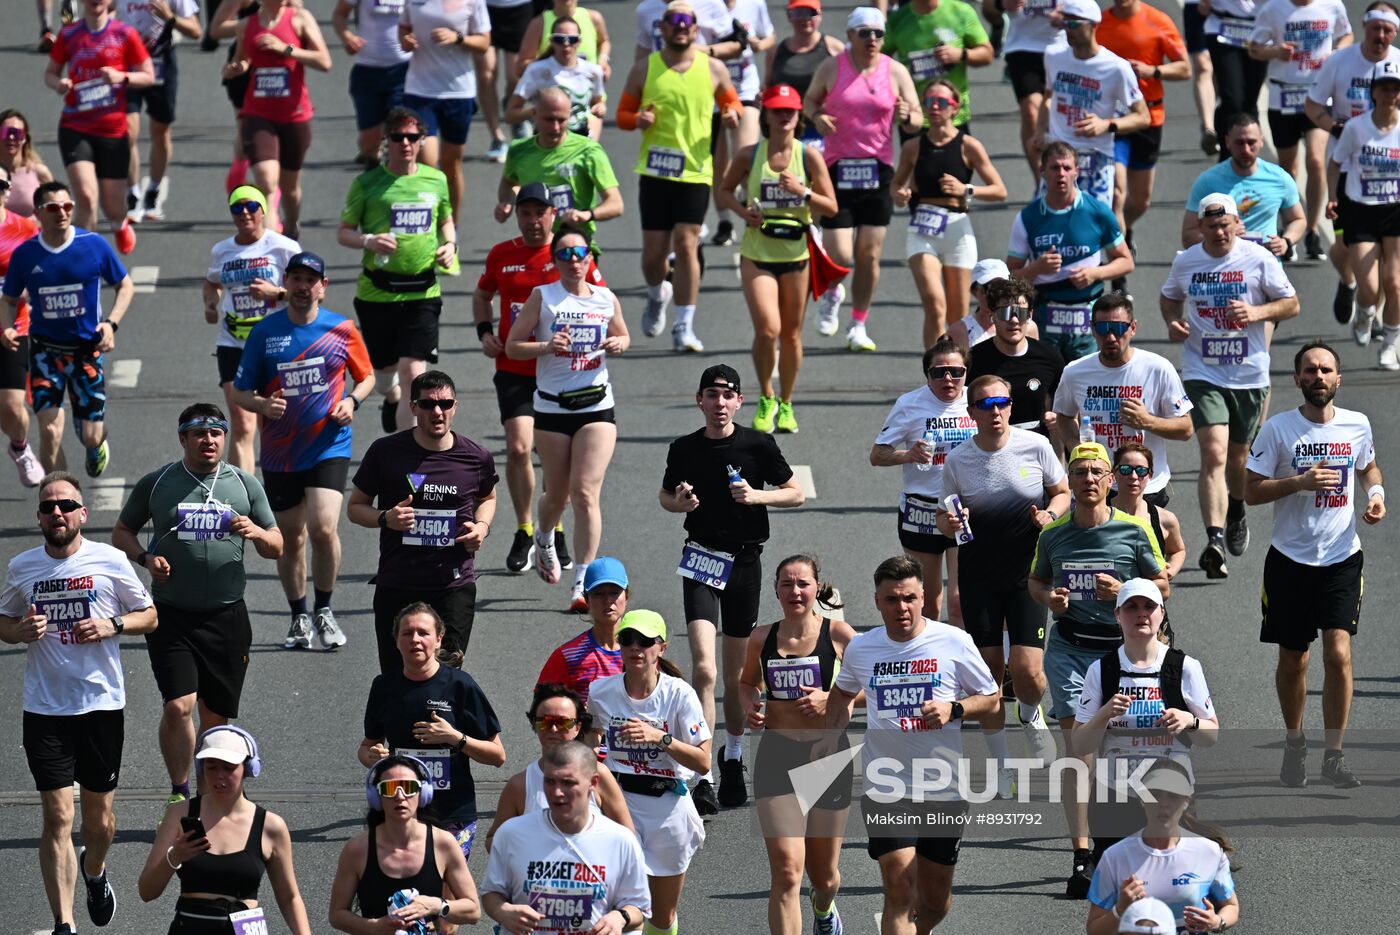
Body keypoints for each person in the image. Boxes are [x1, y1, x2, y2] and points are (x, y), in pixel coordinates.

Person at [0, 471, 157, 935]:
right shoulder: (23, 568)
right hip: (45, 709)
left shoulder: (108, 560)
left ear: (82, 514)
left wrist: (114, 625)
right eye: (48, 507)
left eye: (66, 505)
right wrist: (18, 632)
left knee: (99, 821)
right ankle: (64, 923)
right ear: (40, 518)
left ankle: (95, 869)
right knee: (57, 815)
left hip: (100, 706)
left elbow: (150, 616)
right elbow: (3, 621)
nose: (57, 513)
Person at [111, 403, 281, 805]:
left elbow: (278, 546)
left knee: (215, 718)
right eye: (199, 433)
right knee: (177, 706)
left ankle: (207, 800)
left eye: (216, 432)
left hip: (227, 615)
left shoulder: (243, 484)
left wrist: (256, 531)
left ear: (225, 437)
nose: (209, 440)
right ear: (183, 438)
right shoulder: (158, 483)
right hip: (171, 614)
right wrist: (145, 559)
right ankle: (179, 790)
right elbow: (122, 531)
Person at [823, 556, 1000, 935]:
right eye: (891, 600)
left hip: (943, 787)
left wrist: (954, 708)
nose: (901, 608)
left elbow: (991, 698)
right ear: (877, 601)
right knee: (900, 887)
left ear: (923, 597)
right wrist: (828, 742)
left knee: (936, 901)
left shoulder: (953, 641)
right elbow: (841, 697)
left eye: (908, 598)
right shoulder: (862, 649)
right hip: (887, 785)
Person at [659, 364, 805, 812]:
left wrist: (757, 496)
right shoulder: (684, 447)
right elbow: (665, 496)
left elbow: (795, 492)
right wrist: (678, 503)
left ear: (739, 402)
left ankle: (733, 755)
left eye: (728, 395)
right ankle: (701, 770)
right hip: (702, 557)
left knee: (738, 675)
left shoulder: (757, 444)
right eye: (711, 395)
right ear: (699, 401)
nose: (719, 403)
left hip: (744, 561)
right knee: (704, 671)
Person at [1027, 441, 1168, 897]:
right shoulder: (1053, 536)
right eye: (1080, 472)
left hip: (1123, 654)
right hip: (1070, 650)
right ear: (1069, 481)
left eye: (1096, 472)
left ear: (1109, 481)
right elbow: (1037, 580)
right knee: (1080, 750)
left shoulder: (1134, 530)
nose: (1088, 479)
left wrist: (1127, 589)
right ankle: (1082, 855)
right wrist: (1049, 600)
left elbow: (1163, 581)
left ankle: (1138, 843)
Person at [1245, 341, 1385, 789]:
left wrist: (1377, 495)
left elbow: (1368, 468)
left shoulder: (1357, 424)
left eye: (1326, 370)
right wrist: (1299, 482)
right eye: (1310, 370)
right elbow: (1251, 491)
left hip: (1342, 557)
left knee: (1339, 652)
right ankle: (1294, 740)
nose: (1318, 376)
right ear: (1298, 379)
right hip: (1289, 560)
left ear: (1338, 379)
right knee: (1294, 659)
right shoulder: (1278, 430)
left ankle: (1334, 754)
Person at [230, 251, 375, 651]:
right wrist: (261, 405)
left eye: (310, 280)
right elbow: (240, 391)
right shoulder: (265, 332)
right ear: (286, 284)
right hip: (281, 452)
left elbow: (367, 378)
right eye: (294, 278)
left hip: (329, 443)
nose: (301, 286)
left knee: (324, 526)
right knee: (292, 536)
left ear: (323, 287)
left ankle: (325, 610)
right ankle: (298, 615)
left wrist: (353, 403)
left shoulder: (342, 329)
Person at [938, 375, 1068, 795]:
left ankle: (1030, 715)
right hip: (979, 576)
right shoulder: (958, 459)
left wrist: (1050, 514)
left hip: (1028, 575)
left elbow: (1062, 491)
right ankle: (1000, 766)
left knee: (1029, 672)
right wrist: (951, 522)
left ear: (1011, 406)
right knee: (988, 679)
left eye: (1001, 403)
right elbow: (944, 516)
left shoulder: (1036, 446)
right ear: (971, 412)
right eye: (985, 405)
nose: (995, 412)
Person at [1161, 192, 1299, 579]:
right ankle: (1214, 538)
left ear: (1237, 224)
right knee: (1214, 453)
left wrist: (1256, 311)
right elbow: (1169, 298)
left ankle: (1236, 508)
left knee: (1239, 458)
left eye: (1226, 225)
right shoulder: (1187, 262)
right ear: (1200, 228)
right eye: (1212, 226)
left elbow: (1291, 304)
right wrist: (1173, 322)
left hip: (1249, 374)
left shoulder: (1259, 259)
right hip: (1202, 371)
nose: (1220, 232)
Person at [477, 185, 603, 574]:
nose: (533, 221)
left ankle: (554, 526)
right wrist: (484, 330)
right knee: (518, 448)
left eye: (540, 213)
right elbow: (482, 295)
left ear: (553, 214)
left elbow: (600, 300)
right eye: (526, 213)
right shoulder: (503, 254)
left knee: (557, 460)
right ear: (517, 215)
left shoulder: (571, 255)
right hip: (514, 369)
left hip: (562, 376)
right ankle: (524, 527)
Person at [506, 226, 629, 610]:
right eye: (564, 254)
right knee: (556, 495)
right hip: (553, 408)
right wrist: (546, 345)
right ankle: (543, 535)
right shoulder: (543, 298)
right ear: (555, 261)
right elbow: (513, 346)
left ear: (590, 257)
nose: (573, 260)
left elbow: (623, 336)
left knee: (585, 493)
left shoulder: (606, 298)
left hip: (596, 406)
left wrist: (618, 342)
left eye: (580, 252)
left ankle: (582, 583)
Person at [737, 554, 856, 935]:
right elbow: (745, 684)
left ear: (817, 588)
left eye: (802, 583)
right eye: (786, 584)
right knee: (787, 870)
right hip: (777, 755)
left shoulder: (838, 634)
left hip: (827, 757)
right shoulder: (762, 637)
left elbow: (874, 686)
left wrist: (832, 698)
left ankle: (824, 908)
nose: (795, 591)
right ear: (775, 590)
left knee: (824, 875)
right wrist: (751, 706)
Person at [348, 370, 498, 671]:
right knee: (397, 678)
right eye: (428, 404)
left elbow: (488, 498)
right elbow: (355, 507)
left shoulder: (475, 457)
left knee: (446, 677)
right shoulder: (386, 452)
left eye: (445, 403)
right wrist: (385, 518)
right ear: (413, 407)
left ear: (455, 406)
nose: (437, 412)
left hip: (453, 586)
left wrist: (481, 528)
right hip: (398, 584)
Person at [617, 0, 743, 353]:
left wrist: (732, 114)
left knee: (687, 245)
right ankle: (658, 294)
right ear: (663, 28)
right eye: (673, 21)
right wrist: (637, 120)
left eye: (687, 21)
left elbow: (733, 104)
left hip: (695, 172)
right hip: (655, 171)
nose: (680, 26)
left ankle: (684, 326)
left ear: (695, 27)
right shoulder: (645, 69)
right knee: (653, 254)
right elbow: (623, 114)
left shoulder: (714, 68)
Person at [715, 83, 837, 434]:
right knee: (768, 330)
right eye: (776, 111)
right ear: (766, 115)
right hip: (758, 252)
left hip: (796, 254)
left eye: (790, 111)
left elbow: (831, 206)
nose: (783, 117)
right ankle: (766, 396)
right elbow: (723, 190)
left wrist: (804, 192)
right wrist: (743, 212)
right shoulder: (751, 155)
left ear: (799, 116)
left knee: (792, 335)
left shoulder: (808, 156)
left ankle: (786, 402)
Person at [1071, 579, 1219, 860]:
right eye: (1131, 607)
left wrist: (1189, 721)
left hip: (1170, 792)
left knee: (1167, 873)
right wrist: (1104, 714)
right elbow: (1079, 744)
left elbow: (1211, 736)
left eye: (1149, 606)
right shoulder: (1101, 670)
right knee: (1119, 886)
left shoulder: (1184, 667)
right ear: (1117, 615)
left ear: (1161, 613)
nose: (1141, 613)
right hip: (1116, 793)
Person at [803, 7, 921, 351]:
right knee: (841, 256)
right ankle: (833, 291)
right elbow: (810, 101)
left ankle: (858, 323)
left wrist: (907, 115)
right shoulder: (832, 67)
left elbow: (915, 118)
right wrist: (818, 116)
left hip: (877, 169)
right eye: (865, 33)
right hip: (837, 167)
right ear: (851, 35)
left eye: (878, 34)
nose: (872, 40)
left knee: (869, 254)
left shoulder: (895, 71)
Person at [586, 609, 710, 935]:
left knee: (662, 916)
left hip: (667, 809)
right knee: (619, 907)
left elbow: (703, 761)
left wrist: (662, 738)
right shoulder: (601, 692)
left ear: (662, 648)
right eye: (627, 639)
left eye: (645, 641)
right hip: (618, 803)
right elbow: (590, 740)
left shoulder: (679, 694)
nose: (635, 647)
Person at [0, 179, 135, 477]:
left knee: (90, 434)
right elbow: (8, 299)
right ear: (38, 212)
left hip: (86, 352)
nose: (61, 212)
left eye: (67, 206)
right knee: (49, 430)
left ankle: (95, 443)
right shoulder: (26, 254)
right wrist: (8, 328)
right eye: (52, 207)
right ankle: (62, 498)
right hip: (45, 353)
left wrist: (111, 324)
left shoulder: (93, 245)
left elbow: (125, 286)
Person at [337, 107, 457, 433]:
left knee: (414, 373)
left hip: (423, 292)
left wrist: (450, 245)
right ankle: (391, 398)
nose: (405, 143)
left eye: (412, 137)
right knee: (385, 374)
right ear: (386, 140)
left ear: (422, 140)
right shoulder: (368, 184)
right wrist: (369, 240)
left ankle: (406, 450)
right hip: (377, 293)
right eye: (398, 136)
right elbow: (344, 232)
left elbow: (446, 220)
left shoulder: (436, 180)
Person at [358, 603, 507, 860]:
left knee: (445, 889)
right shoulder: (384, 687)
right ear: (396, 641)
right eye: (407, 633)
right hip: (400, 810)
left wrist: (455, 738)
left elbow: (497, 756)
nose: (415, 639)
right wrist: (371, 757)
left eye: (423, 633)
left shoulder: (461, 685)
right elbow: (366, 747)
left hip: (453, 813)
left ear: (438, 639)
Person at [136, 726, 314, 935]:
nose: (220, 776)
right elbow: (147, 891)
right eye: (211, 767)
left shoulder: (271, 826)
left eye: (229, 767)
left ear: (248, 768)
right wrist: (175, 856)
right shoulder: (179, 814)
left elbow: (289, 897)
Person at [483, 741, 650, 935]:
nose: (557, 792)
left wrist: (620, 917)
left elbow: (639, 907)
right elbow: (491, 894)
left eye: (568, 783)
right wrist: (503, 911)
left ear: (593, 783)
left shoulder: (621, 841)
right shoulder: (510, 833)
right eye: (550, 781)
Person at [870, 337, 977, 625]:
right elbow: (878, 455)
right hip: (921, 510)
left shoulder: (977, 400)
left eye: (956, 371)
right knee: (929, 603)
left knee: (959, 602)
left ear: (967, 372)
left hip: (962, 509)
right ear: (927, 375)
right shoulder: (910, 404)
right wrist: (909, 454)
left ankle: (959, 666)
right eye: (938, 372)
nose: (948, 378)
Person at [1304, 2, 1399, 324]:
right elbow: (1312, 105)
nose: (1381, 36)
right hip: (1346, 170)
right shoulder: (1340, 62)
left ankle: (1371, 311)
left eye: (1388, 30)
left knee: (1387, 259)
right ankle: (1349, 282)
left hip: (1387, 174)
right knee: (1345, 249)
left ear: (1395, 33)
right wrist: (1335, 128)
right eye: (1376, 29)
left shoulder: (1399, 65)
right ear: (1364, 27)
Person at [892, 79, 1006, 347]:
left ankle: (958, 373)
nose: (934, 107)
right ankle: (934, 367)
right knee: (934, 303)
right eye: (929, 102)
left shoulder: (968, 145)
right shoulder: (913, 146)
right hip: (923, 228)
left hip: (957, 226)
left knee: (958, 313)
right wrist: (899, 194)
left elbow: (999, 190)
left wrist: (965, 189)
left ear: (955, 108)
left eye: (941, 102)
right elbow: (896, 183)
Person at [1052, 291, 1194, 501]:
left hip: (1145, 486)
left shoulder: (1158, 368)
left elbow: (1186, 429)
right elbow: (1063, 416)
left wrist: (1148, 421)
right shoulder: (1075, 372)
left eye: (1118, 328)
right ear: (1092, 329)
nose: (1110, 337)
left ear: (1133, 328)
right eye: (1102, 328)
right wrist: (1075, 445)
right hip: (1097, 485)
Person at [1007, 141, 1134, 363]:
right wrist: (1037, 268)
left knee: (1086, 382)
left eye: (1067, 168)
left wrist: (1095, 274)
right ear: (1042, 172)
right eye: (1055, 168)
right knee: (1048, 386)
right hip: (1045, 313)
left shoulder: (1097, 212)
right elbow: (1010, 275)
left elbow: (1126, 261)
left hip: (1087, 314)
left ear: (1077, 171)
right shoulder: (1027, 217)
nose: (1061, 174)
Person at [203, 184, 300, 472]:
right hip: (233, 343)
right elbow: (211, 281)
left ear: (263, 210)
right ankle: (244, 499)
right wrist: (210, 303)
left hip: (275, 343)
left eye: (251, 206)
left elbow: (312, 291)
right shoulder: (222, 250)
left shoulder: (284, 247)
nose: (244, 212)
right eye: (237, 207)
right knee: (242, 421)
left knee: (275, 419)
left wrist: (277, 293)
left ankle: (281, 486)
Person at [45, 0, 154, 253]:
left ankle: (119, 223)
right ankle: (86, 258)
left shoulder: (124, 34)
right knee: (85, 195)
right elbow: (50, 73)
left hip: (112, 131)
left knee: (113, 205)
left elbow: (147, 74)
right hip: (75, 126)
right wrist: (58, 83)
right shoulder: (70, 34)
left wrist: (121, 77)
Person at [328, 755, 483, 933]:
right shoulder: (356, 850)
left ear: (423, 793)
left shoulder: (443, 844)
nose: (400, 796)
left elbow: (473, 911)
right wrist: (374, 927)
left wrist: (436, 905)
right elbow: (337, 914)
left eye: (409, 787)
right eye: (390, 788)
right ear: (376, 797)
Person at [1085, 760, 1240, 934]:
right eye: (1155, 794)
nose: (1163, 803)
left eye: (1172, 795)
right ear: (1142, 799)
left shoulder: (1209, 851)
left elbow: (1230, 905)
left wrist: (1217, 922)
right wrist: (1120, 909)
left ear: (1186, 801)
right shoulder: (1115, 856)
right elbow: (1094, 929)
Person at [1248, 0, 1351, 262]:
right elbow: (1254, 48)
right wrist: (1275, 52)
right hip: (1283, 95)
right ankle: (1290, 229)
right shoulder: (1273, 8)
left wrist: (1338, 51)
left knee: (1316, 160)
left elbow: (1347, 34)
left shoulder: (1331, 5)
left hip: (1318, 95)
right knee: (1288, 170)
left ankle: (1313, 230)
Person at [223, 0, 331, 241]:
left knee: (290, 189)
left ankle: (292, 226)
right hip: (257, 114)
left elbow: (325, 61)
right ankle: (271, 246)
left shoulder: (300, 19)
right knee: (267, 183)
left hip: (294, 115)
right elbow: (244, 59)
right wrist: (236, 68)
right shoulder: (246, 25)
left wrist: (287, 49)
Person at [484, 684, 635, 854]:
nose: (554, 729)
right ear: (535, 725)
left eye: (562, 722)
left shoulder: (599, 775)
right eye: (545, 722)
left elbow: (627, 837)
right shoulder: (519, 784)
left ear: (577, 727)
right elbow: (493, 841)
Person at [1035, 0, 1149, 212]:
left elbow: (1143, 116)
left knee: (1094, 227)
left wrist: (1107, 125)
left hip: (1096, 157)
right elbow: (1049, 96)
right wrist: (1040, 130)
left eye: (1075, 24)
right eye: (1065, 22)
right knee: (1046, 221)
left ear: (1093, 25)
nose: (1069, 29)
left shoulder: (1116, 68)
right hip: (1060, 154)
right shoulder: (1054, 56)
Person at [1096, 0, 1189, 253]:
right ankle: (1118, 265)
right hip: (1113, 119)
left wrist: (1153, 71)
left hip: (1149, 118)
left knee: (1140, 201)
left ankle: (1125, 227)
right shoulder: (1098, 23)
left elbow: (1184, 68)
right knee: (1117, 193)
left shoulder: (1157, 21)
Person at [1327, 59, 1400, 369]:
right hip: (1361, 209)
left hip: (1395, 209)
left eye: (1396, 89)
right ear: (1374, 92)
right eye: (1384, 88)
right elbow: (1335, 163)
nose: (1390, 94)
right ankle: (1364, 313)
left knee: (1394, 283)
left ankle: (1390, 344)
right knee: (1369, 288)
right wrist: (1332, 196)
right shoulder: (1357, 128)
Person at [396, 0, 488, 231]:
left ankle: (450, 229)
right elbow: (404, 28)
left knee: (451, 163)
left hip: (458, 92)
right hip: (420, 91)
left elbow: (484, 42)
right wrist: (406, 40)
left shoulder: (473, 2)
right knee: (427, 161)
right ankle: (430, 224)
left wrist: (458, 38)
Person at [495, 87, 624, 240]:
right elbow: (509, 184)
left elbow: (616, 204)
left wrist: (586, 215)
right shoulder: (519, 149)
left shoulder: (588, 151)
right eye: (549, 119)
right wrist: (507, 203)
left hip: (575, 247)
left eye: (561, 120)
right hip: (536, 246)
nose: (555, 127)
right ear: (534, 115)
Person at [116, 0, 203, 223]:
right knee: (127, 133)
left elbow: (196, 31)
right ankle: (132, 194)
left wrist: (169, 17)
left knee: (160, 131)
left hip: (161, 61)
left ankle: (153, 191)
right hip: (128, 64)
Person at [1182, 113, 1306, 256]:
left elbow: (1298, 220)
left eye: (1251, 142)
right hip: (1223, 270)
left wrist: (1286, 241)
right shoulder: (1208, 181)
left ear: (1261, 141)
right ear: (1227, 142)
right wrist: (1220, 237)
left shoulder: (1280, 178)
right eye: (1239, 143)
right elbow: (1188, 236)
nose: (1246, 150)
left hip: (1264, 268)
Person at [708, 0, 777, 248]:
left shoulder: (754, 4)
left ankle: (752, 213)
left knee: (747, 156)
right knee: (718, 164)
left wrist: (760, 44)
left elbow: (770, 37)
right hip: (711, 93)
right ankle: (725, 222)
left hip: (744, 89)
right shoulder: (702, 6)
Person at [885, 0, 993, 144]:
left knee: (956, 166)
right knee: (913, 167)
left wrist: (961, 54)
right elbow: (876, 61)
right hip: (915, 118)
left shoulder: (961, 12)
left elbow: (987, 54)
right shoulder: (898, 20)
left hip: (952, 116)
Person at [967, 276, 1064, 435]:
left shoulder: (1050, 357)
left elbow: (1067, 409)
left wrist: (1056, 419)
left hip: (1037, 450)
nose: (1013, 320)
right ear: (993, 316)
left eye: (1020, 312)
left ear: (1030, 315)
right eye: (1005, 312)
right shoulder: (974, 360)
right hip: (990, 449)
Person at [0, 163, 44, 488]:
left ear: (7, 192)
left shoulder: (25, 229)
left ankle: (20, 447)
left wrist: (28, 286)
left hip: (13, 327)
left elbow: (44, 269)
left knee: (13, 407)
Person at [536, 556, 629, 702]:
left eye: (614, 592)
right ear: (586, 600)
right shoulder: (567, 656)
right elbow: (541, 709)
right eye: (598, 593)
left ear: (626, 596)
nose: (607, 600)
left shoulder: (644, 649)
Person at [992, 0, 1066, 179]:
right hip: (1023, 47)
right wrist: (1002, 4)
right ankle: (1042, 181)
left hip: (1063, 47)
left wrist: (1069, 18)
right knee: (1031, 111)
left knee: (1058, 114)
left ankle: (1063, 170)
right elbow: (989, 8)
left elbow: (1089, 13)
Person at [332, 0, 410, 168]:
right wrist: (348, 37)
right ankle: (375, 155)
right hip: (368, 70)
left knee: (401, 127)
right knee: (368, 144)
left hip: (404, 70)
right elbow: (340, 14)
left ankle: (399, 176)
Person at [506, 15, 608, 139]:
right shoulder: (537, 70)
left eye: (572, 39)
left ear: (579, 41)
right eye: (560, 39)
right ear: (551, 41)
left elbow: (597, 102)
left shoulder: (593, 71)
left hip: (579, 142)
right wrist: (537, 111)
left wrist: (600, 108)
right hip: (546, 142)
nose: (566, 44)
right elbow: (511, 115)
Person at [1111, 443, 1188, 585]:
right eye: (1126, 469)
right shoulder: (1099, 514)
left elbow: (1178, 550)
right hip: (1106, 600)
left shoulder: (1164, 519)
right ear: (1114, 473)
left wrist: (1171, 570)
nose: (1133, 476)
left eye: (1141, 471)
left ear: (1150, 475)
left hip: (1148, 604)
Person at [480, 0, 537, 162]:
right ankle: (497, 137)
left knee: (515, 76)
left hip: (518, 8)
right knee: (486, 74)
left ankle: (512, 107)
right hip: (483, 8)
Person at [949, 258, 1043, 349]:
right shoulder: (959, 331)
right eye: (989, 287)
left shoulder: (1028, 327)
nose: (996, 293)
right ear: (974, 291)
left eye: (1002, 287)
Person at [766, 0, 845, 106]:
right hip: (784, 117)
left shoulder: (835, 49)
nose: (805, 18)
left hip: (821, 118)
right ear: (789, 16)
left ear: (820, 15)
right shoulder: (775, 52)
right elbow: (766, 87)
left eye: (811, 12)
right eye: (799, 13)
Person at [516, 0, 613, 77]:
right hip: (552, 97)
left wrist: (603, 60)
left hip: (590, 96)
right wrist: (548, 62)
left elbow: (604, 41)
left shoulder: (594, 18)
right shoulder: (539, 24)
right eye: (559, 39)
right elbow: (520, 68)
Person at [0, 109, 57, 219]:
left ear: (25, 138)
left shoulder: (40, 173)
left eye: (17, 133)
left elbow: (55, 211)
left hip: (32, 234)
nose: (11, 138)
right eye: (6, 132)